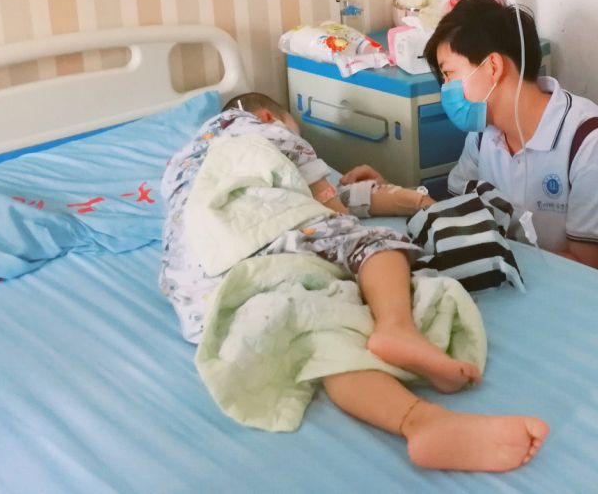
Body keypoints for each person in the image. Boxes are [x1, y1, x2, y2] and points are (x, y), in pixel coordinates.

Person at [160, 92, 549, 471]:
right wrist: (344, 223)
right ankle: (396, 326)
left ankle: (419, 420)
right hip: (256, 227)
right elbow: (331, 206)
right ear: (268, 117)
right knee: (374, 244)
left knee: (322, 326)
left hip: (203, 285)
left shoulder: (179, 170)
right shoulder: (255, 131)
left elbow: (340, 195)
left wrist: (414, 199)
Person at [425, 0, 598, 271]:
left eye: (449, 74)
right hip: (523, 279)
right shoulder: (483, 135)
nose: (445, 89)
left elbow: (587, 267)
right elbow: (459, 215)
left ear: (493, 67)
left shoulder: (590, 142)